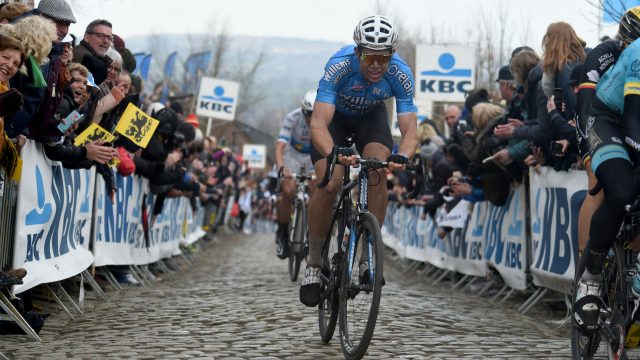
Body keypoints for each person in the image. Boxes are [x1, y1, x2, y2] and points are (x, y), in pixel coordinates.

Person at [299, 15, 418, 307]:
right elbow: (318, 125)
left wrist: (403, 154)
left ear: (392, 55)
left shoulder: (400, 73)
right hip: (334, 121)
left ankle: (367, 257)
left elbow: (411, 129)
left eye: (383, 57)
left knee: (377, 170)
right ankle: (314, 262)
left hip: (371, 119)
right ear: (357, 53)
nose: (376, 65)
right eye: (369, 57)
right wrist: (334, 152)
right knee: (330, 183)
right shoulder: (339, 66)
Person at [573, 7, 640, 332]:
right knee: (622, 189)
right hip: (610, 119)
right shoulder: (636, 52)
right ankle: (591, 278)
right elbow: (632, 119)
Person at [273, 90, 317, 259]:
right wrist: (282, 167)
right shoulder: (293, 117)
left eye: (314, 114)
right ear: (302, 111)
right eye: (308, 114)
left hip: (313, 156)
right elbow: (280, 146)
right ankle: (283, 235)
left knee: (317, 189)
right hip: (293, 156)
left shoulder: (325, 118)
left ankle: (312, 235)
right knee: (289, 190)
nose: (311, 118)